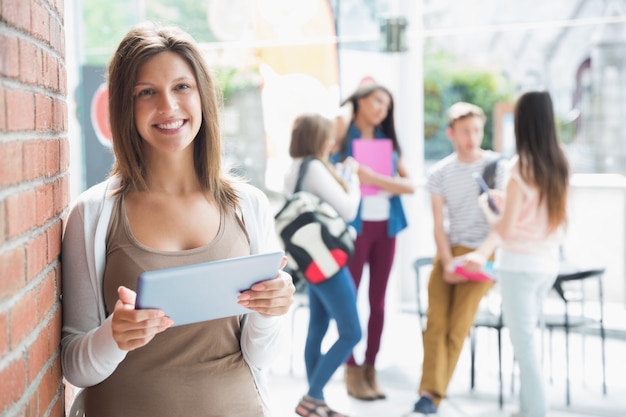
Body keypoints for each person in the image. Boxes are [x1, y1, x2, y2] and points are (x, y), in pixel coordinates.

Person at [60, 22, 295, 417]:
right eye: (147, 92)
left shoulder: (249, 206)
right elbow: (74, 366)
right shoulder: (94, 213)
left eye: (182, 87)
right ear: (125, 105)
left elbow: (262, 355)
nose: (168, 106)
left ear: (201, 94)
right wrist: (113, 337)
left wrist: (271, 311)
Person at [463, 90, 570, 417]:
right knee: (528, 343)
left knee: (524, 349)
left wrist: (487, 207)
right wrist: (507, 204)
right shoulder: (559, 162)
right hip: (546, 264)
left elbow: (506, 230)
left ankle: (534, 412)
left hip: (518, 267)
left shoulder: (520, 167)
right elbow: (541, 215)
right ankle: (526, 409)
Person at [404, 102, 506, 416]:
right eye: (465, 131)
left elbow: (503, 222)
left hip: (482, 255)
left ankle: (429, 397)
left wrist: (481, 254)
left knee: (457, 326)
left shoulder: (498, 167)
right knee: (435, 323)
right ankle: (429, 395)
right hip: (449, 252)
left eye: (476, 130)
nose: (472, 137)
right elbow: (438, 223)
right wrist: (447, 262)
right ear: (451, 133)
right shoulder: (439, 173)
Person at [331, 83, 415, 401]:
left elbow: (409, 186)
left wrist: (373, 177)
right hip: (355, 229)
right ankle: (351, 369)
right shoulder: (342, 135)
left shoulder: (386, 141)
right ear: (360, 102)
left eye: (387, 105)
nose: (382, 108)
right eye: (377, 100)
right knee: (349, 300)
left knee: (378, 302)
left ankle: (370, 367)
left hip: (385, 229)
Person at [284, 113, 362, 417]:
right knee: (352, 332)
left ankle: (316, 402)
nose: (333, 141)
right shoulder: (315, 167)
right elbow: (347, 208)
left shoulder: (292, 168)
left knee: (317, 326)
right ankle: (312, 397)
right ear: (318, 138)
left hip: (310, 260)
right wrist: (351, 178)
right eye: (328, 136)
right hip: (328, 260)